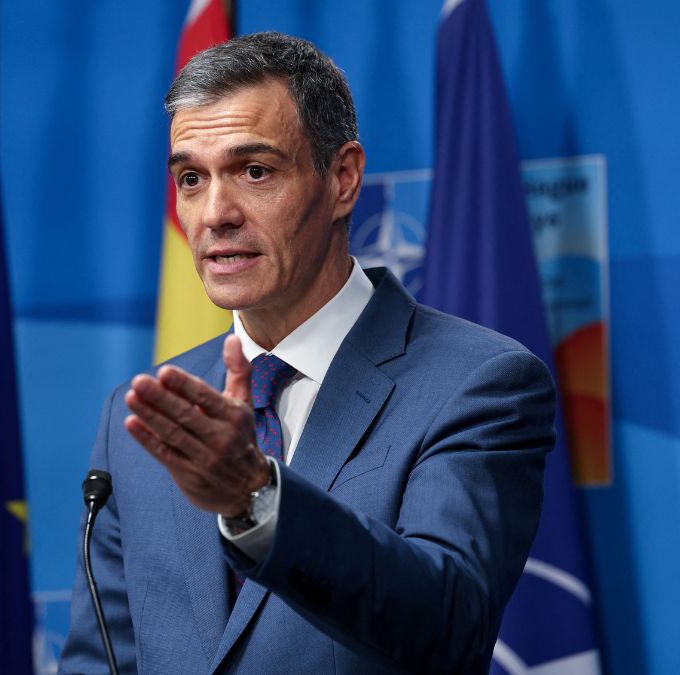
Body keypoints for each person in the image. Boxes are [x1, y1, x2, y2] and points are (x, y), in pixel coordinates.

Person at [59, 32, 554, 674]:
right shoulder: (147, 413)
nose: (214, 214)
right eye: (190, 178)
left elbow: (447, 622)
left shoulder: (476, 383)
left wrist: (256, 499)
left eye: (254, 171)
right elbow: (102, 660)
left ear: (342, 178)